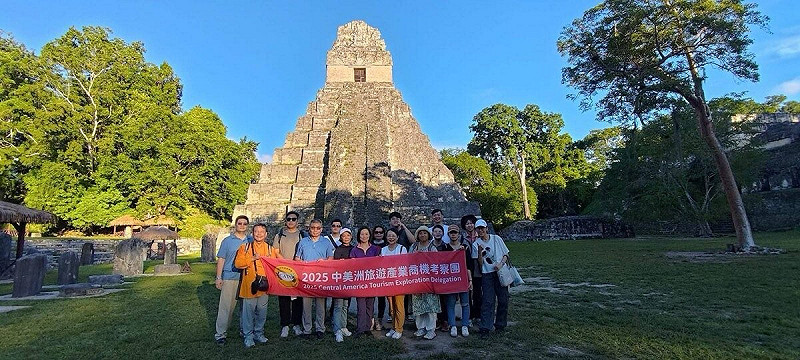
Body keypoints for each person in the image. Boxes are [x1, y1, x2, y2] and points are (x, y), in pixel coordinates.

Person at [233, 223, 281, 348]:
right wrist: (252, 259)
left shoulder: (270, 249)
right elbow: (238, 264)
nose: (259, 234)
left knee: (262, 312)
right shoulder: (245, 247)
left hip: (264, 286)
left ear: (266, 234)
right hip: (249, 285)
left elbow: (276, 266)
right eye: (256, 231)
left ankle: (259, 333)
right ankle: (248, 336)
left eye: (261, 232)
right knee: (248, 313)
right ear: (252, 233)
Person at [213, 215, 251, 345]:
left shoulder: (250, 240)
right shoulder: (227, 241)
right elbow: (221, 259)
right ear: (235, 224)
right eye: (239, 223)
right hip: (230, 276)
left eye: (244, 224)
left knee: (246, 308)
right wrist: (219, 277)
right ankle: (220, 334)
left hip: (247, 277)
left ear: (247, 226)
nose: (242, 225)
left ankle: (244, 331)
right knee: (226, 307)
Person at [295, 219, 335, 339]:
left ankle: (320, 328)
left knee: (320, 305)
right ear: (309, 228)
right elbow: (297, 258)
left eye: (318, 228)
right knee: (306, 305)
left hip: (320, 278)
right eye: (313, 227)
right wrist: (304, 263)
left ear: (321, 229)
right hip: (306, 278)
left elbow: (331, 258)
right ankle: (307, 329)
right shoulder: (303, 242)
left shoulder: (326, 242)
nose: (315, 230)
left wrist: (324, 262)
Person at [472, 219, 510, 335]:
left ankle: (500, 324)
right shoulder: (475, 244)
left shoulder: (496, 239)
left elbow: (506, 254)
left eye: (482, 228)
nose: (481, 230)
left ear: (486, 228)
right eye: (478, 229)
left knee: (503, 300)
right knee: (488, 301)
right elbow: (479, 263)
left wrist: (500, 264)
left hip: (500, 271)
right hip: (487, 274)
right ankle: (485, 326)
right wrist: (479, 251)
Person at [274, 211, 306, 338]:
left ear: (297, 221)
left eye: (293, 219)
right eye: (289, 219)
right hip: (284, 269)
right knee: (284, 298)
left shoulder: (303, 235)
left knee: (298, 298)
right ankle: (285, 324)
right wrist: (285, 263)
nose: (291, 221)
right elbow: (276, 251)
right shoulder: (280, 235)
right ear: (285, 221)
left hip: (298, 269)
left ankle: (297, 323)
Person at [409, 226, 440, 340]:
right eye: (420, 233)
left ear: (428, 235)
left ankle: (431, 329)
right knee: (418, 306)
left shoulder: (432, 247)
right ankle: (420, 327)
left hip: (430, 280)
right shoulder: (413, 247)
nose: (422, 235)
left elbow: (436, 262)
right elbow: (408, 261)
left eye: (424, 233)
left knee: (430, 306)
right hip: (416, 280)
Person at [350, 227, 381, 337]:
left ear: (369, 235)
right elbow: (351, 266)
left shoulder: (375, 249)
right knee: (361, 306)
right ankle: (360, 329)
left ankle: (368, 328)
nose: (364, 236)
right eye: (362, 234)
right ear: (359, 235)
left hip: (371, 281)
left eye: (366, 234)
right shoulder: (354, 250)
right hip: (359, 282)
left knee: (370, 306)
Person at [443, 224, 472, 337]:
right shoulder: (445, 249)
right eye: (451, 233)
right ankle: (453, 325)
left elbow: (468, 266)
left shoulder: (464, 248)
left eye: (455, 232)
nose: (453, 234)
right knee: (450, 304)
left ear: (459, 234)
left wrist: (470, 280)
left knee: (465, 303)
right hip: (451, 280)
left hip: (463, 278)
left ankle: (464, 325)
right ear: (449, 234)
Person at [381, 229, 407, 339]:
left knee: (399, 306)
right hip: (388, 282)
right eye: (389, 236)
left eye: (393, 236)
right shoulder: (383, 250)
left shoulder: (402, 248)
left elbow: (405, 265)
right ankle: (393, 327)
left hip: (399, 282)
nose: (391, 237)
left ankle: (399, 329)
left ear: (397, 237)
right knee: (391, 307)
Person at [332, 227, 354, 342]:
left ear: (351, 236)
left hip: (349, 281)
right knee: (338, 306)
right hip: (340, 281)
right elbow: (335, 266)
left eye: (348, 235)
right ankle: (337, 329)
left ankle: (344, 326)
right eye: (343, 236)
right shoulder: (338, 249)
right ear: (341, 237)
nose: (346, 238)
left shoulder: (354, 249)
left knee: (345, 306)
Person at [461, 214, 481, 326]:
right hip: (467, 267)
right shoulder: (462, 239)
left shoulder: (480, 236)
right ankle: (469, 315)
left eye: (471, 223)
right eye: (467, 224)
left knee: (478, 292)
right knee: (467, 292)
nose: (469, 225)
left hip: (478, 267)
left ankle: (478, 314)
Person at [431, 224, 449, 331]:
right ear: (432, 233)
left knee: (443, 299)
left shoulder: (446, 246)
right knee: (434, 299)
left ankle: (444, 320)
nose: (437, 233)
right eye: (435, 231)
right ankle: (436, 320)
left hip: (443, 277)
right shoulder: (429, 246)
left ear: (443, 233)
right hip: (432, 277)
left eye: (439, 231)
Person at [370, 225, 388, 331]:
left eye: (381, 232)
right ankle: (371, 320)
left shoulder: (386, 244)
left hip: (384, 275)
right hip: (372, 275)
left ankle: (380, 320)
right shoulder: (370, 245)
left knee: (382, 299)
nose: (378, 234)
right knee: (371, 298)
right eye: (376, 232)